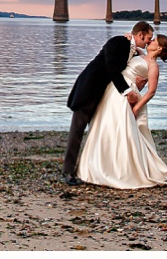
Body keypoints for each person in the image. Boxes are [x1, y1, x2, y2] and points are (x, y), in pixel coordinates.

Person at [76, 33, 167, 189]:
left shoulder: (153, 66)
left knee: (124, 131)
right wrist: (128, 36)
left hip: (128, 95)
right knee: (106, 124)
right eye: (150, 38)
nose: (150, 41)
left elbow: (151, 91)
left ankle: (123, 169)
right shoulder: (140, 53)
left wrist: (137, 106)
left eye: (153, 40)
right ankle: (100, 164)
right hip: (115, 88)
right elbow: (130, 47)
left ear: (159, 47)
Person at [62, 21, 154, 185]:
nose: (149, 41)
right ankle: (68, 172)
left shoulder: (130, 48)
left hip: (104, 96)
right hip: (88, 90)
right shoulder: (117, 42)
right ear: (140, 34)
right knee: (77, 131)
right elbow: (112, 68)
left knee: (98, 132)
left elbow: (133, 63)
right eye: (148, 38)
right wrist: (127, 92)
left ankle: (92, 169)